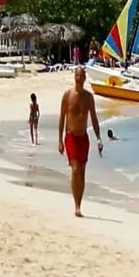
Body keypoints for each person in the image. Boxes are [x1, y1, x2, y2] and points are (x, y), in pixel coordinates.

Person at [58, 67, 104, 217]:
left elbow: (94, 119)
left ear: (85, 78)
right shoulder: (67, 95)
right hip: (71, 136)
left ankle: (79, 203)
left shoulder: (89, 97)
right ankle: (76, 205)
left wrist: (98, 138)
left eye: (82, 75)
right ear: (74, 77)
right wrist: (60, 140)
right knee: (75, 169)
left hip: (84, 137)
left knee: (82, 172)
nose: (80, 78)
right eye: (77, 75)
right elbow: (62, 118)